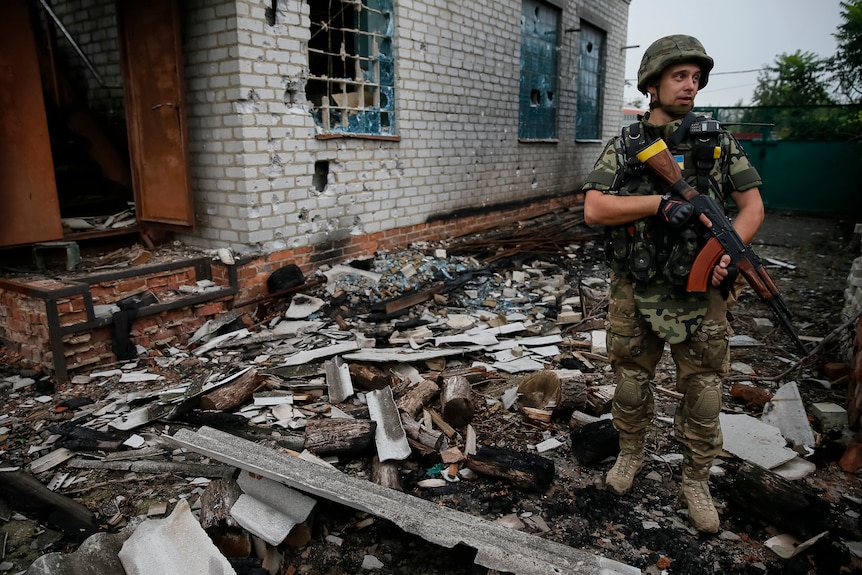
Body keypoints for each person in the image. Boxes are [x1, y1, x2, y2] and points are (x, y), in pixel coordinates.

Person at [580, 35, 765, 533]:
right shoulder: (628, 144)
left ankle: (695, 480)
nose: (691, 85)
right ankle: (630, 455)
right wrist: (656, 204)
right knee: (631, 384)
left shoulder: (718, 143)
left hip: (700, 290)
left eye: (696, 77)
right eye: (680, 76)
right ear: (652, 84)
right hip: (634, 287)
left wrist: (726, 252)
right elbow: (595, 208)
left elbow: (751, 209)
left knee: (703, 390)